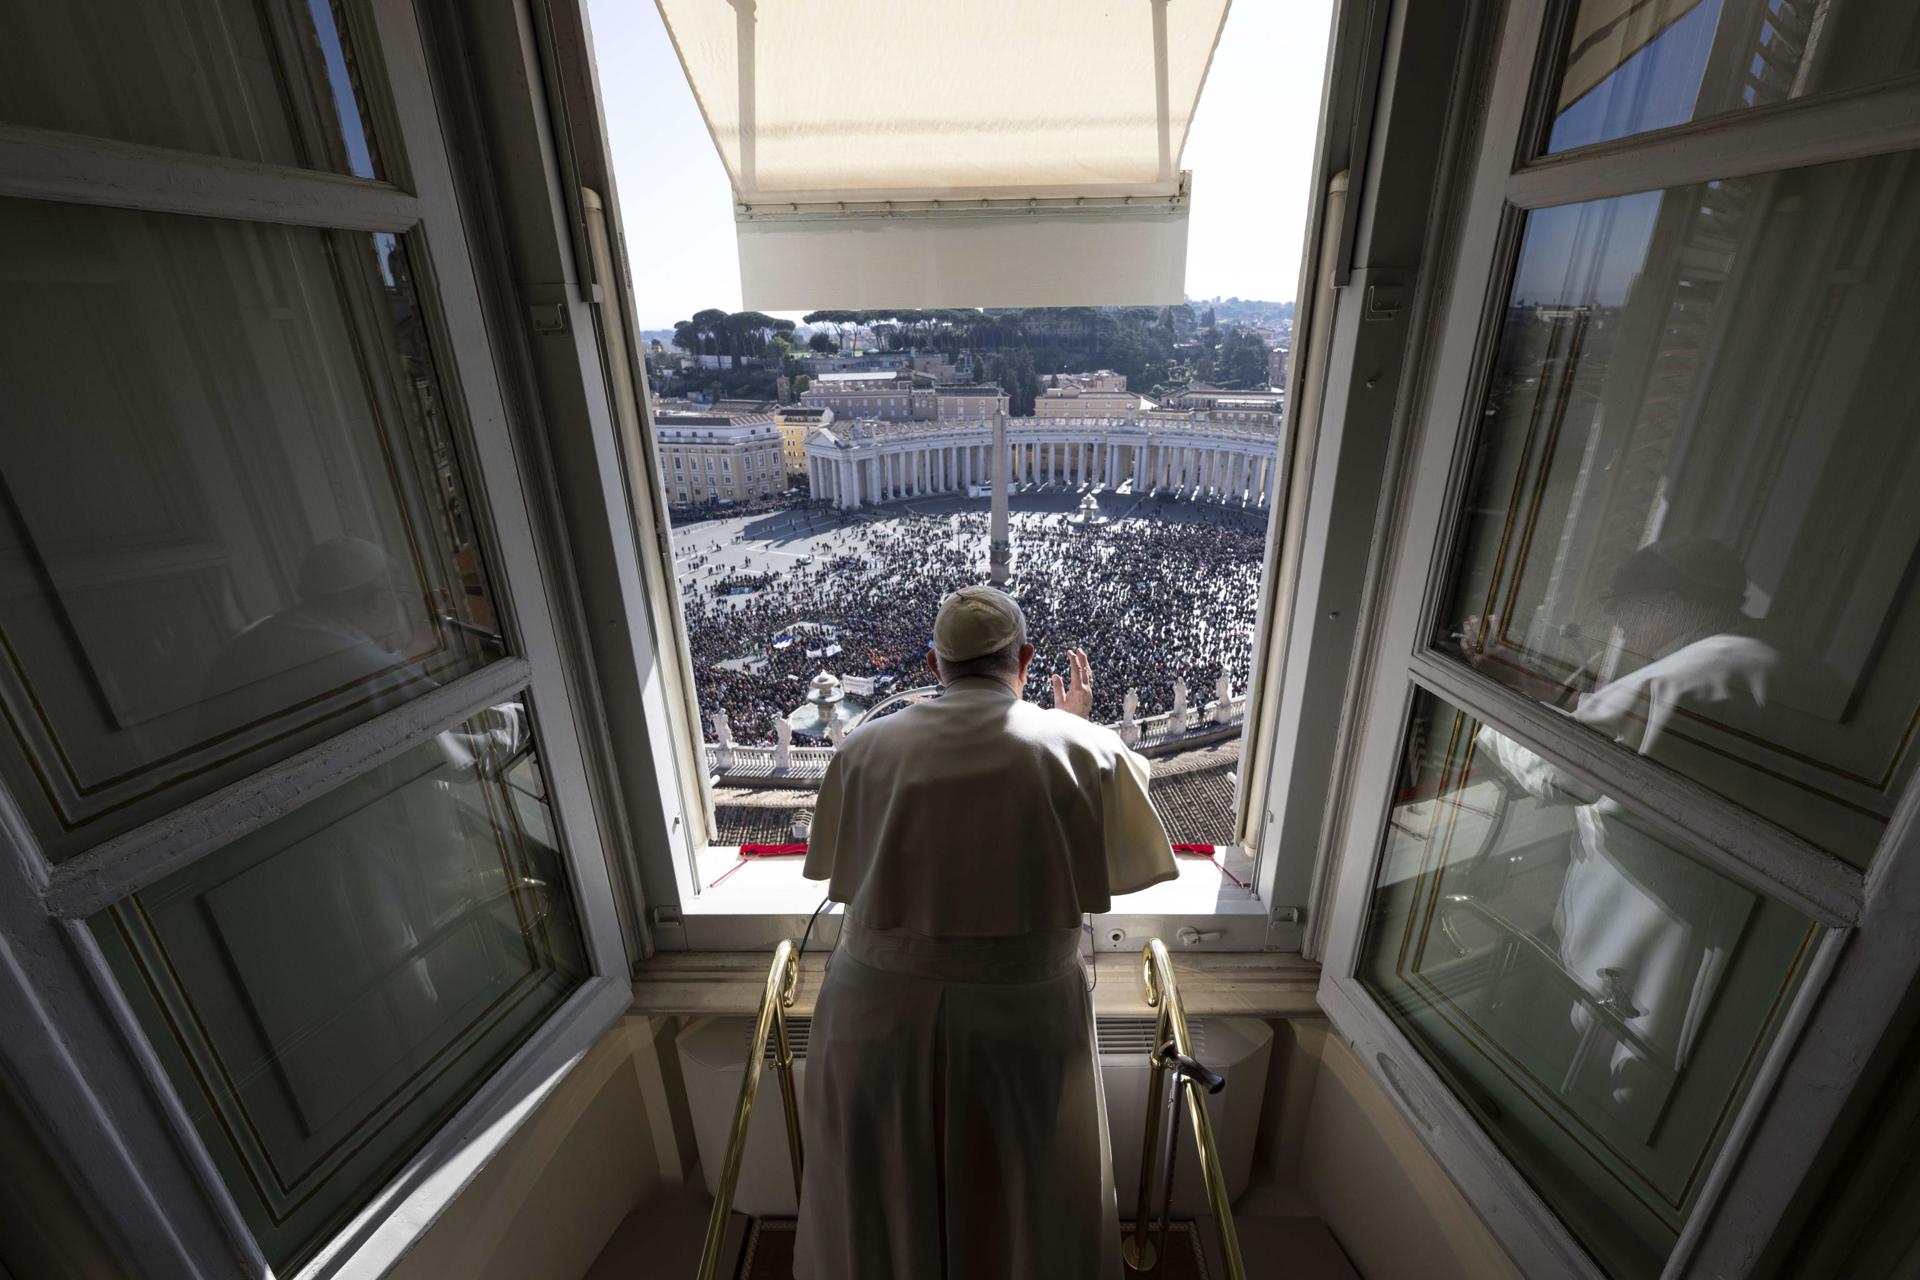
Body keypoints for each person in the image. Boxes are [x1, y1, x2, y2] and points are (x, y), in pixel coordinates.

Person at [795, 586, 1177, 1279]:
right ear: (1025, 660)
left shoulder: (864, 748)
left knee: (881, 1197)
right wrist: (1075, 725)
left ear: (937, 665)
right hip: (1021, 1022)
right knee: (1023, 1202)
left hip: (874, 1017)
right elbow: (1126, 816)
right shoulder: (1083, 746)